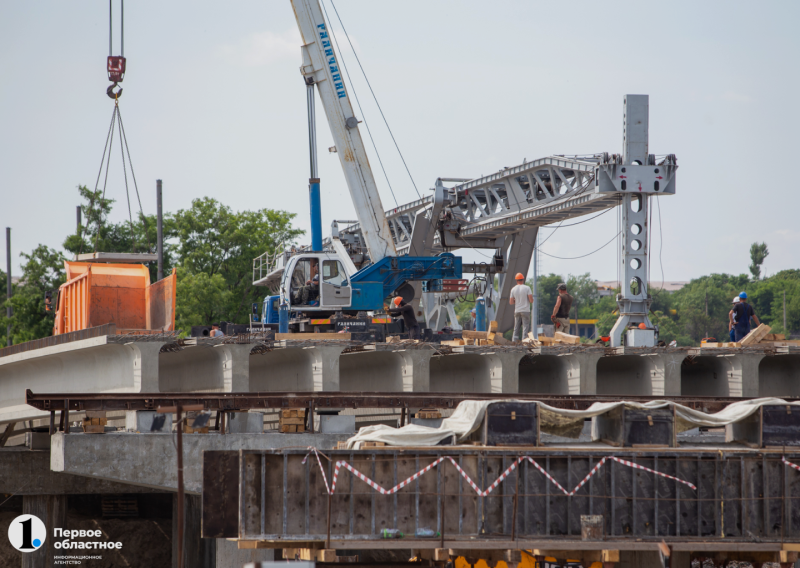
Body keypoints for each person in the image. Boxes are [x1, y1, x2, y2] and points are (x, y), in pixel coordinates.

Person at [509, 273, 533, 342]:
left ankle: (514, 341)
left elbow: (511, 302)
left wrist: (516, 300)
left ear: (516, 280)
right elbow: (531, 300)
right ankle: (524, 341)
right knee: (525, 327)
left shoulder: (513, 289)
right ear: (523, 279)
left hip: (517, 311)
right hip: (525, 310)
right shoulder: (527, 288)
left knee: (516, 327)